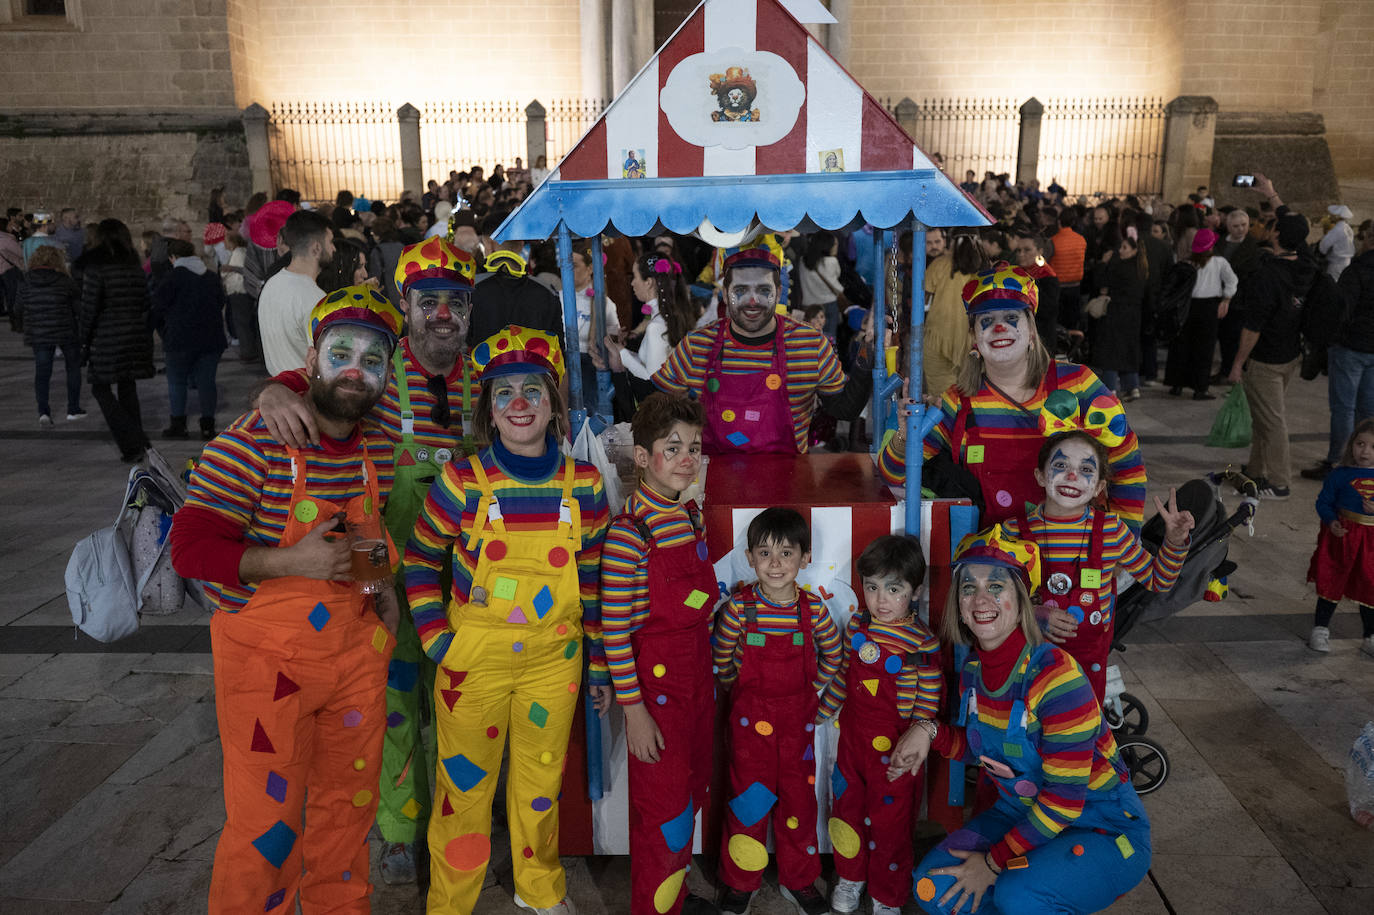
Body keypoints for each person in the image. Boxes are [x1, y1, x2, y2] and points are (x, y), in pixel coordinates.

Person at [253, 237, 484, 884]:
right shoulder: (377, 365)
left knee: (460, 705)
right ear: (405, 302)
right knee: (394, 702)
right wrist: (273, 390)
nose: (443, 314)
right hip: (383, 575)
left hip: (466, 581)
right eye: (429, 300)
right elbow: (322, 381)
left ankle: (458, 820)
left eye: (456, 302)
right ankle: (401, 828)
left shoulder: (486, 378)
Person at [168, 286, 406, 914]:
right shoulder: (257, 441)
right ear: (314, 358)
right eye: (341, 353)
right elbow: (189, 547)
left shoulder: (375, 444)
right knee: (265, 833)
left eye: (373, 359)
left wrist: (382, 588)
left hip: (355, 659)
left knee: (347, 823)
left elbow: (365, 531)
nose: (355, 371)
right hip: (266, 665)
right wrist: (287, 562)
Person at [403, 326, 609, 915]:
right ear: (488, 412)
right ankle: (450, 903)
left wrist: (597, 669)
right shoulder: (462, 481)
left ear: (554, 405)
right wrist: (438, 640)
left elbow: (593, 584)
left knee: (540, 789)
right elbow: (419, 559)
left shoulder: (587, 486)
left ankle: (539, 889)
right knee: (463, 793)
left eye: (532, 390)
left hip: (556, 663)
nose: (518, 404)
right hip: (475, 663)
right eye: (503, 393)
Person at [898, 527, 1152, 915]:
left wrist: (992, 863)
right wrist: (927, 730)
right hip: (1020, 812)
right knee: (933, 886)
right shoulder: (973, 671)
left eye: (996, 585)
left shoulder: (1055, 675)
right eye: (968, 587)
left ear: (1022, 598)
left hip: (1100, 824)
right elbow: (982, 748)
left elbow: (1066, 801)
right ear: (959, 603)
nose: (981, 598)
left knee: (1019, 894)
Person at [880, 264, 1147, 529]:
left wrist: (1123, 542)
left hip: (1073, 554)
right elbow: (892, 475)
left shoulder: (1078, 383)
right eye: (986, 321)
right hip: (992, 562)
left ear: (1031, 330)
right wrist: (904, 437)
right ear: (975, 338)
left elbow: (1127, 465)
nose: (999, 329)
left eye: (1011, 318)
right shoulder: (957, 401)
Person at [599, 393, 719, 915]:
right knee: (662, 813)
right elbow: (615, 630)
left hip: (698, 683)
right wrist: (635, 711)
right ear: (643, 458)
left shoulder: (690, 514)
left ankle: (675, 894)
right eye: (673, 448)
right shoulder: (630, 534)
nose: (687, 458)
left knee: (690, 794)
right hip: (657, 695)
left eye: (694, 447)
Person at [1003, 414, 1193, 701]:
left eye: (1086, 469)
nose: (1072, 476)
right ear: (1040, 476)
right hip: (1029, 661)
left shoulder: (1111, 531)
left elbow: (1158, 582)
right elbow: (994, 599)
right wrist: (1031, 613)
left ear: (1099, 487)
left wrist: (1175, 542)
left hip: (1086, 669)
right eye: (1061, 465)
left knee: (1078, 731)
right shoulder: (1012, 532)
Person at [711, 508, 843, 915]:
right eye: (764, 552)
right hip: (750, 727)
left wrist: (817, 700)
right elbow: (722, 661)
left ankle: (799, 880)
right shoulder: (738, 609)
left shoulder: (814, 611)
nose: (774, 563)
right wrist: (745, 699)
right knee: (748, 803)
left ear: (805, 558)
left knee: (799, 805)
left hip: (797, 727)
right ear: (749, 558)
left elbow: (833, 656)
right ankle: (740, 882)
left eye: (786, 553)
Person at [816, 536, 941, 915]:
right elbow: (842, 674)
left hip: (896, 751)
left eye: (893, 589)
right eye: (872, 587)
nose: (881, 599)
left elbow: (928, 703)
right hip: (852, 743)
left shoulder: (923, 643)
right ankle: (850, 878)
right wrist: (821, 710)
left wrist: (917, 735)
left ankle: (887, 895)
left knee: (892, 827)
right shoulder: (858, 625)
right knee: (846, 814)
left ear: (915, 591)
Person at [652, 246, 872, 455]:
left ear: (777, 292)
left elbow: (845, 410)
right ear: (726, 293)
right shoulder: (697, 345)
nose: (753, 301)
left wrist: (866, 356)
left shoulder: (810, 345)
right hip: (713, 486)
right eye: (740, 290)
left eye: (763, 290)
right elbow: (659, 407)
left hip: (788, 486)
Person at [1226, 177, 1317, 501]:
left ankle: (1279, 482)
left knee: (1273, 421)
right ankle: (1256, 470)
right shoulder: (1305, 263)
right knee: (1266, 416)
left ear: (1276, 236)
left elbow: (1253, 327)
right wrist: (1272, 194)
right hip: (1290, 354)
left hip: (1264, 359)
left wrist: (1238, 363)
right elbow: (1297, 229)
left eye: (1273, 225)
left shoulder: (1269, 275)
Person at [80, 218, 154, 462]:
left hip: (107, 337)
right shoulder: (135, 267)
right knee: (127, 386)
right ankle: (137, 442)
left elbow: (89, 308)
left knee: (100, 388)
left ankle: (132, 440)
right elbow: (145, 302)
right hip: (134, 334)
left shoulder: (97, 268)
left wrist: (83, 339)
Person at [1305, 220, 1374, 482]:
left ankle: (1338, 461)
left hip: (1351, 347)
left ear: (1368, 238)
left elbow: (1341, 309)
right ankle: (1365, 461)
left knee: (1344, 408)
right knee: (1367, 409)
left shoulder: (1357, 270)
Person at [1307, 419, 1374, 657]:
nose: (1365, 451)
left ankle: (1370, 635)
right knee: (1332, 580)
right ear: (1351, 445)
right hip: (1343, 537)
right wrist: (1331, 520)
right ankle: (1321, 628)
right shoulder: (1340, 474)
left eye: (1372, 447)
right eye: (1360, 443)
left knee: (1370, 585)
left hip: (1371, 542)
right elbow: (1323, 501)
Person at [602, 251, 697, 416]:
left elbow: (652, 378)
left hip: (663, 413)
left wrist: (621, 352)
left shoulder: (657, 327)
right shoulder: (671, 318)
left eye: (635, 277)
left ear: (649, 282)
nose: (632, 283)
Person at [151, 238, 228, 439]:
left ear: (172, 257)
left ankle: (178, 425)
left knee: (177, 382)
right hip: (211, 338)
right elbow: (220, 301)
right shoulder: (210, 276)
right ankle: (207, 426)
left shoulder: (172, 278)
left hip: (179, 338)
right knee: (207, 382)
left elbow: (157, 307)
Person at [15, 244, 85, 427]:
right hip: (65, 330)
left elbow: (18, 309)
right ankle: (73, 409)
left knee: (42, 372)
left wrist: (24, 326)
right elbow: (79, 309)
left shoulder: (26, 281)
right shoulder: (65, 280)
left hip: (39, 332)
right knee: (73, 368)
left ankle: (44, 412)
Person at [1163, 228, 1236, 401]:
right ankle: (1200, 388)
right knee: (1204, 349)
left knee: (1181, 346)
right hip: (1209, 307)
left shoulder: (1186, 263)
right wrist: (1226, 299)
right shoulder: (1219, 263)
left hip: (1187, 307)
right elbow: (1232, 281)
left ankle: (1177, 383)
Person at [259, 210, 334, 375]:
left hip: (280, 387)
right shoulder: (314, 298)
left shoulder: (272, 284)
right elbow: (325, 361)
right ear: (316, 248)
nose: (334, 248)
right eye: (330, 242)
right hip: (305, 392)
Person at [923, 234, 987, 398]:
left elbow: (923, 297)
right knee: (972, 395)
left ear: (951, 244)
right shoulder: (985, 269)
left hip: (937, 339)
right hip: (975, 341)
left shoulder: (940, 264)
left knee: (941, 397)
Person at [797, 231, 845, 340]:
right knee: (829, 340)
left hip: (809, 306)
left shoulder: (802, 261)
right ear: (827, 246)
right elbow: (837, 275)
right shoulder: (832, 261)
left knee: (809, 339)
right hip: (829, 305)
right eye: (834, 244)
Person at [1320, 204, 1356, 281]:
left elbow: (1323, 247)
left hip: (1336, 264)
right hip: (1346, 262)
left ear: (1337, 217)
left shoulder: (1337, 229)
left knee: (1332, 285)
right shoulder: (1348, 229)